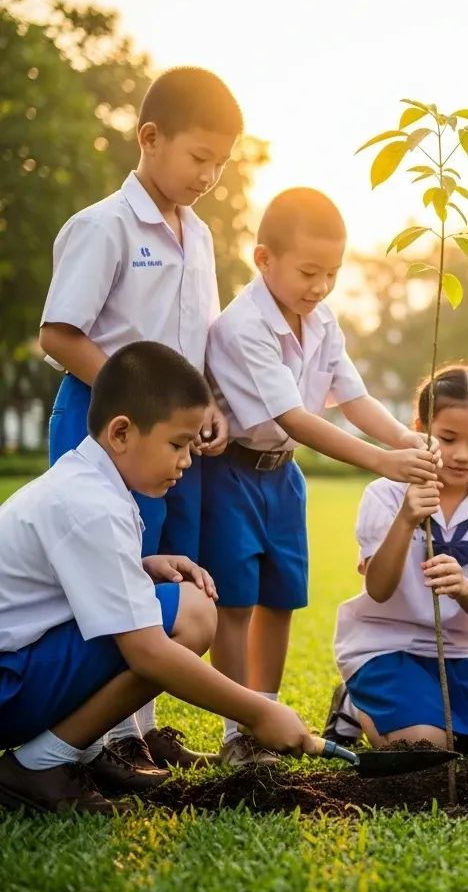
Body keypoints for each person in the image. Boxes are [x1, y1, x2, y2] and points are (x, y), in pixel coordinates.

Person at [0, 343, 315, 814]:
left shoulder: (89, 481)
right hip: (9, 686)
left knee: (180, 604)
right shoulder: (91, 505)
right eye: (177, 444)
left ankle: (81, 751)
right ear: (122, 432)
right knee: (189, 617)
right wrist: (259, 711)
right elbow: (145, 652)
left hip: (19, 669)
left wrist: (141, 567)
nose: (188, 460)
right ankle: (38, 765)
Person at [37, 66, 245, 771]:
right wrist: (142, 405)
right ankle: (93, 740)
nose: (209, 175)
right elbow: (60, 334)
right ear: (149, 138)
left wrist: (203, 407)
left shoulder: (202, 237)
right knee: (109, 571)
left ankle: (139, 732)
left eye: (221, 163)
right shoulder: (105, 226)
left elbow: (198, 340)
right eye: (198, 157)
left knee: (165, 576)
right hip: (106, 424)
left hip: (173, 438)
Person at [201, 187, 437, 766]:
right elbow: (294, 418)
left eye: (331, 274)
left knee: (280, 598)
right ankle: (239, 731)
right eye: (309, 272)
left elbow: (352, 398)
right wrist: (384, 462)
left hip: (282, 477)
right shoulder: (242, 326)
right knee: (235, 604)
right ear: (264, 259)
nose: (320, 286)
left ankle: (269, 708)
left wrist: (405, 439)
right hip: (232, 476)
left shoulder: (323, 320)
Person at [332, 366, 468, 752]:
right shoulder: (385, 494)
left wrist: (463, 586)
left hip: (459, 653)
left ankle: (437, 715)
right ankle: (353, 702)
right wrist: (406, 518)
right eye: (447, 438)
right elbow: (379, 589)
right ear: (420, 427)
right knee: (425, 745)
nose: (462, 455)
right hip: (385, 648)